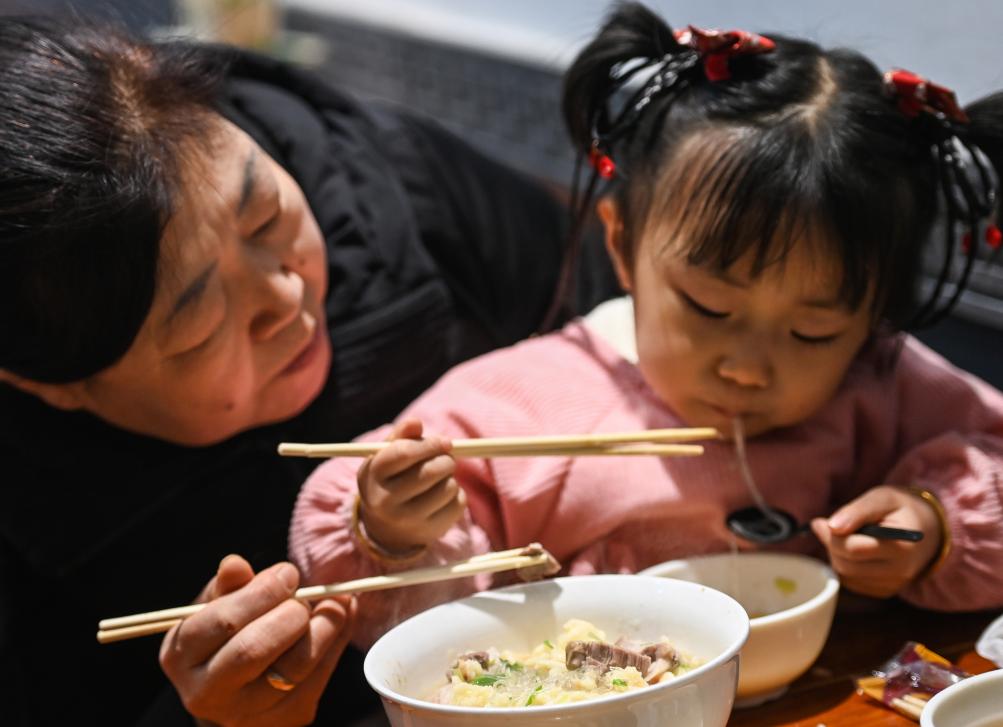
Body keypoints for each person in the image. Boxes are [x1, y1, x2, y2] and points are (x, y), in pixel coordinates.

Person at [289, 1, 1003, 652]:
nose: (748, 367)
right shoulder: (519, 406)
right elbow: (383, 608)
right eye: (710, 307)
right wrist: (391, 529)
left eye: (813, 332)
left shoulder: (880, 380)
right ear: (622, 243)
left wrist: (934, 524)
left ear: (874, 314)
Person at [0, 16, 617, 727]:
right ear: (51, 387)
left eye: (265, 217)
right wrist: (210, 719)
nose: (285, 293)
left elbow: (624, 332)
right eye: (201, 329)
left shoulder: (396, 183)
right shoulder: (33, 513)